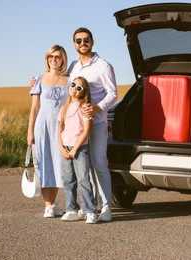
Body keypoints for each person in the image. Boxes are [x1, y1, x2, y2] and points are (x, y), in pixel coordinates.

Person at [67, 27, 117, 222]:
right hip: (76, 126)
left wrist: (97, 108)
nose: (82, 43)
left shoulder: (103, 66)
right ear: (74, 44)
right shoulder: (72, 67)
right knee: (84, 166)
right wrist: (36, 82)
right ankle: (90, 207)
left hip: (96, 123)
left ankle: (106, 207)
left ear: (92, 42)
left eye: (86, 40)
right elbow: (60, 83)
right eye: (78, 41)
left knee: (99, 162)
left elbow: (112, 93)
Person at [27, 45, 70, 218]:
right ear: (47, 59)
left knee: (59, 164)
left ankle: (52, 205)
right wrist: (30, 132)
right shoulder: (39, 79)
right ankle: (47, 206)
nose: (54, 59)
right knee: (45, 162)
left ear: (63, 59)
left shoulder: (69, 79)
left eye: (57, 57)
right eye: (51, 56)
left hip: (62, 127)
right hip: (43, 125)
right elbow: (34, 108)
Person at [58, 76, 97, 223]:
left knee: (83, 179)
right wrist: (62, 147)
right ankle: (71, 209)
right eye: (73, 85)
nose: (74, 88)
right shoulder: (64, 107)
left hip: (79, 148)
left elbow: (86, 131)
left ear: (83, 92)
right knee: (68, 180)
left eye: (79, 87)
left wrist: (75, 149)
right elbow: (60, 129)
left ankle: (90, 211)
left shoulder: (85, 107)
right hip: (65, 148)